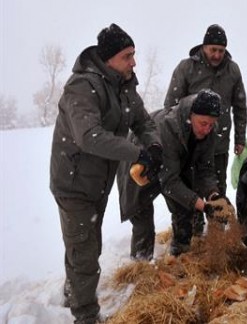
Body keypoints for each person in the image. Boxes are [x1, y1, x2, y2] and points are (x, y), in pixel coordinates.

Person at [50, 24, 161, 324]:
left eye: (134, 55)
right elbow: (89, 137)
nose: (133, 62)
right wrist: (137, 153)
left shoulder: (123, 86)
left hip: (98, 183)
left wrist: (153, 144)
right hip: (73, 183)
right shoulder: (82, 87)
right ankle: (86, 317)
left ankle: (74, 293)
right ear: (109, 58)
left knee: (86, 244)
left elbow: (143, 121)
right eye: (128, 56)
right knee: (85, 251)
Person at [117, 89, 234, 259]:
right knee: (143, 221)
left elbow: (205, 169)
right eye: (203, 123)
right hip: (139, 166)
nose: (207, 129)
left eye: (211, 124)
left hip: (174, 165)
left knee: (184, 207)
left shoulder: (208, 130)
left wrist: (213, 195)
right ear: (191, 115)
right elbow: (170, 182)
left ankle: (180, 255)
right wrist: (204, 206)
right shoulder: (167, 128)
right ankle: (141, 264)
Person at [164, 24, 247, 232]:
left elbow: (240, 105)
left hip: (218, 143)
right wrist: (181, 136)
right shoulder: (186, 68)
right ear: (203, 47)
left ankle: (216, 237)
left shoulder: (232, 70)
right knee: (188, 189)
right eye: (213, 50)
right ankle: (193, 233)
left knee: (215, 188)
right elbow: (171, 106)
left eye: (221, 50)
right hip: (188, 145)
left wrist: (240, 138)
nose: (217, 55)